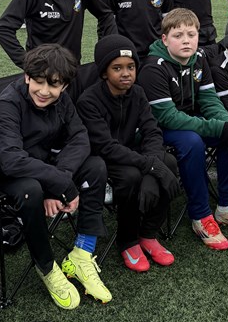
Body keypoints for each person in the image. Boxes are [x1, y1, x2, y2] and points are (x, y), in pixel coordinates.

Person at [0, 43, 112, 304]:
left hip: (47, 168)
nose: (45, 91)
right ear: (27, 76)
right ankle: (46, 267)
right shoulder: (9, 102)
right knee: (31, 190)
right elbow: (11, 159)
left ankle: (82, 254)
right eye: (38, 82)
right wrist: (59, 184)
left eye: (54, 85)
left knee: (95, 167)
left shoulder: (62, 100)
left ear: (65, 86)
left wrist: (59, 180)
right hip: (13, 175)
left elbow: (80, 137)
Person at [139, 8, 228, 250]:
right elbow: (168, 117)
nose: (186, 40)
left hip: (189, 120)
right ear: (165, 39)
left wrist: (226, 123)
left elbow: (209, 100)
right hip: (158, 128)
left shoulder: (199, 59)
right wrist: (216, 127)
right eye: (178, 35)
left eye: (191, 34)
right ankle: (200, 215)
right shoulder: (153, 67)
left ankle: (227, 206)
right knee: (192, 141)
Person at [77, 35, 181, 272]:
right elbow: (106, 147)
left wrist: (153, 170)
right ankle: (128, 240)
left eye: (131, 67)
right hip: (102, 159)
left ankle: (148, 234)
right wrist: (150, 167)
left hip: (132, 154)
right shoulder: (88, 101)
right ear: (104, 72)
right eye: (117, 68)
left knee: (169, 162)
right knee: (131, 176)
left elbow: (152, 131)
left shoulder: (138, 93)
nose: (126, 73)